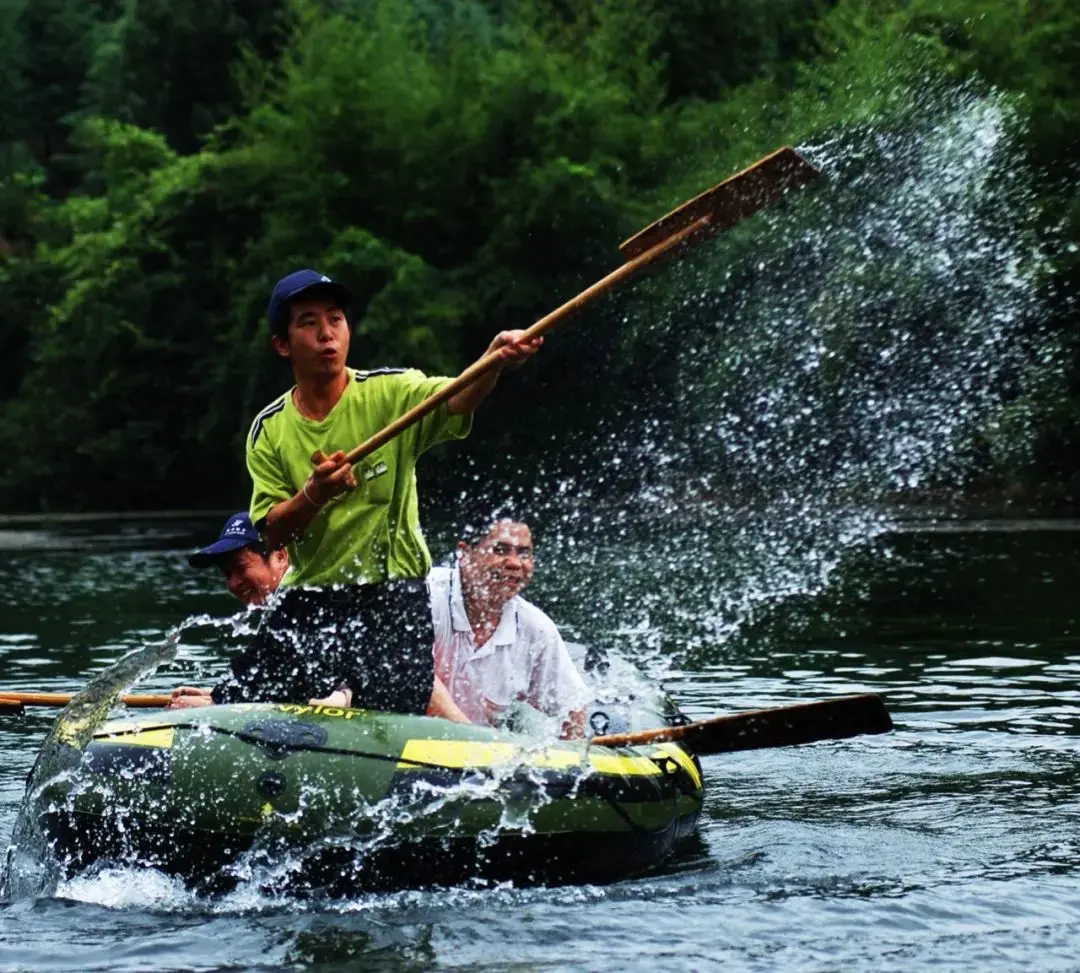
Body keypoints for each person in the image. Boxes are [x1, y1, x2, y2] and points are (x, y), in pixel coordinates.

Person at [207, 268, 539, 712]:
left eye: (336, 319)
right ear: (282, 345)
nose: (327, 333)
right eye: (309, 322)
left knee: (392, 708)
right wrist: (314, 496)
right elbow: (271, 534)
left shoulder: (392, 391)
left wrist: (494, 361)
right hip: (314, 598)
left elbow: (459, 396)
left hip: (393, 594)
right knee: (241, 701)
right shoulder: (269, 430)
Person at [430, 518, 588, 739]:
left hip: (477, 758)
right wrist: (478, 743)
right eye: (500, 550)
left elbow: (572, 709)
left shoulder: (535, 629)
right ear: (464, 554)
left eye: (524, 553)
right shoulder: (426, 596)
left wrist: (572, 760)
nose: (515, 563)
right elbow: (419, 678)